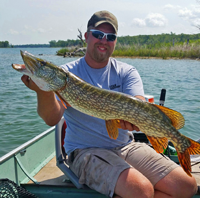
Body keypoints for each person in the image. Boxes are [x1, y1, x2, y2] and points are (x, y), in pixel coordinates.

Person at [21, 10, 197, 198]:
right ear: (87, 37)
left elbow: (138, 103)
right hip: (84, 152)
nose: (104, 40)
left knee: (186, 186)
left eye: (110, 36)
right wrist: (42, 90)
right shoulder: (66, 75)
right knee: (142, 190)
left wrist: (134, 119)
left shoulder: (127, 71)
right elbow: (51, 118)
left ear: (115, 41)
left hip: (126, 146)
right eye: (98, 34)